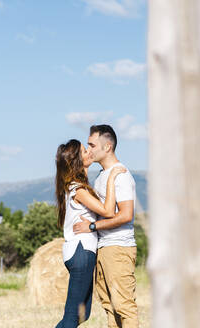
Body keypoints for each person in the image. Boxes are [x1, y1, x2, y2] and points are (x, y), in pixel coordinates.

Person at [54, 139, 126, 328]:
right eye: (85, 151)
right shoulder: (78, 188)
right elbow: (108, 212)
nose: (89, 153)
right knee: (71, 316)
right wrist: (111, 179)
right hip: (81, 252)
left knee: (82, 314)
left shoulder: (79, 186)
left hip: (81, 253)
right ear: (78, 160)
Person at [73, 125, 138, 328]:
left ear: (107, 146)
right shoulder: (103, 175)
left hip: (118, 247)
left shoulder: (121, 175)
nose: (88, 149)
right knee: (109, 307)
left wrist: (92, 226)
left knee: (124, 307)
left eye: (92, 145)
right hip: (104, 247)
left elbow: (126, 215)